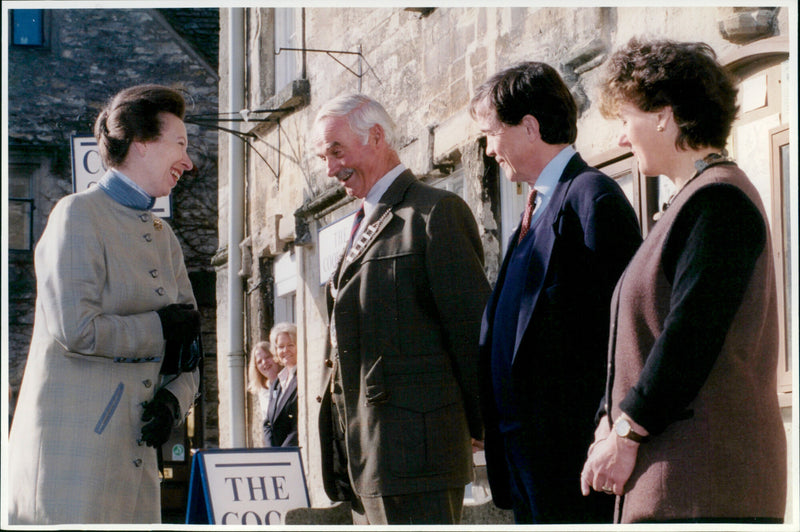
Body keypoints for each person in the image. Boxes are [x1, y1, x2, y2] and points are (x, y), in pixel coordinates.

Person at [580, 38, 787, 523]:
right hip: (680, 482)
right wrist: (607, 421)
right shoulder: (695, 200)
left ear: (663, 116)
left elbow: (690, 337)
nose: (622, 140)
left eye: (626, 120)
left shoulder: (719, 202)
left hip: (705, 485)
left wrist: (626, 433)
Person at [8, 84, 201, 525]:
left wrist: (174, 400)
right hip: (72, 467)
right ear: (142, 144)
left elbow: (190, 346)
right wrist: (160, 328)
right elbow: (76, 329)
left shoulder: (164, 237)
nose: (188, 161)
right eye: (180, 143)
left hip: (135, 463)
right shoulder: (76, 214)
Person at [469, 62, 642, 524]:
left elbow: (626, 332)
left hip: (571, 462)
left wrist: (613, 431)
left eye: (491, 134)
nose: (489, 150)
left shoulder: (591, 198)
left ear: (529, 127)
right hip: (525, 461)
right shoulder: (533, 209)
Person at [313, 93, 491, 524]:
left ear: (376, 137)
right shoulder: (364, 220)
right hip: (369, 458)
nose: (330, 168)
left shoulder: (435, 213)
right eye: (324, 157)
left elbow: (471, 331)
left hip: (418, 459)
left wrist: (480, 426)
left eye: (337, 151)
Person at [263, 323, 299, 447]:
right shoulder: (277, 383)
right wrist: (272, 451)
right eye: (281, 346)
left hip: (294, 451)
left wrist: (284, 452)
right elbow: (268, 423)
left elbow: (299, 424)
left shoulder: (303, 377)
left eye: (290, 345)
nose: (285, 350)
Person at [247, 341, 283, 445]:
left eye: (267, 357)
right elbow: (267, 424)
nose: (264, 363)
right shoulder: (263, 391)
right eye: (259, 361)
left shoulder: (288, 382)